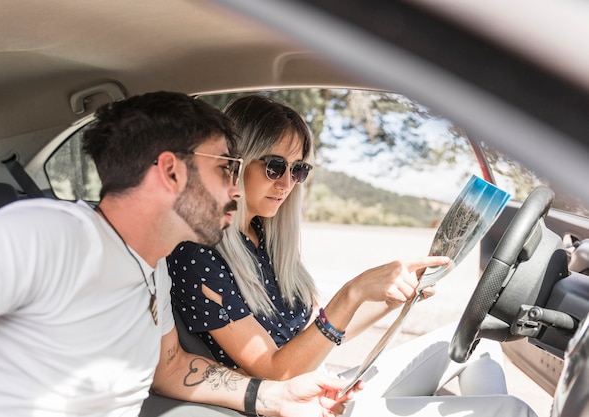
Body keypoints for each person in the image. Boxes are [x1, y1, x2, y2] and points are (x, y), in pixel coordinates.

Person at [0, 91, 359, 417]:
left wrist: (274, 397)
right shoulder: (50, 234)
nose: (236, 190)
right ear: (171, 172)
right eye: (225, 169)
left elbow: (170, 368)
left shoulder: (155, 270)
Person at [168, 94, 538, 416]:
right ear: (236, 161)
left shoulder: (265, 237)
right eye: (274, 166)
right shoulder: (199, 254)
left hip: (323, 387)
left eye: (298, 170)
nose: (286, 183)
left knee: (473, 345)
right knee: (512, 410)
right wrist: (353, 292)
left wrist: (395, 298)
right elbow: (275, 373)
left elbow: (324, 330)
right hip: (289, 405)